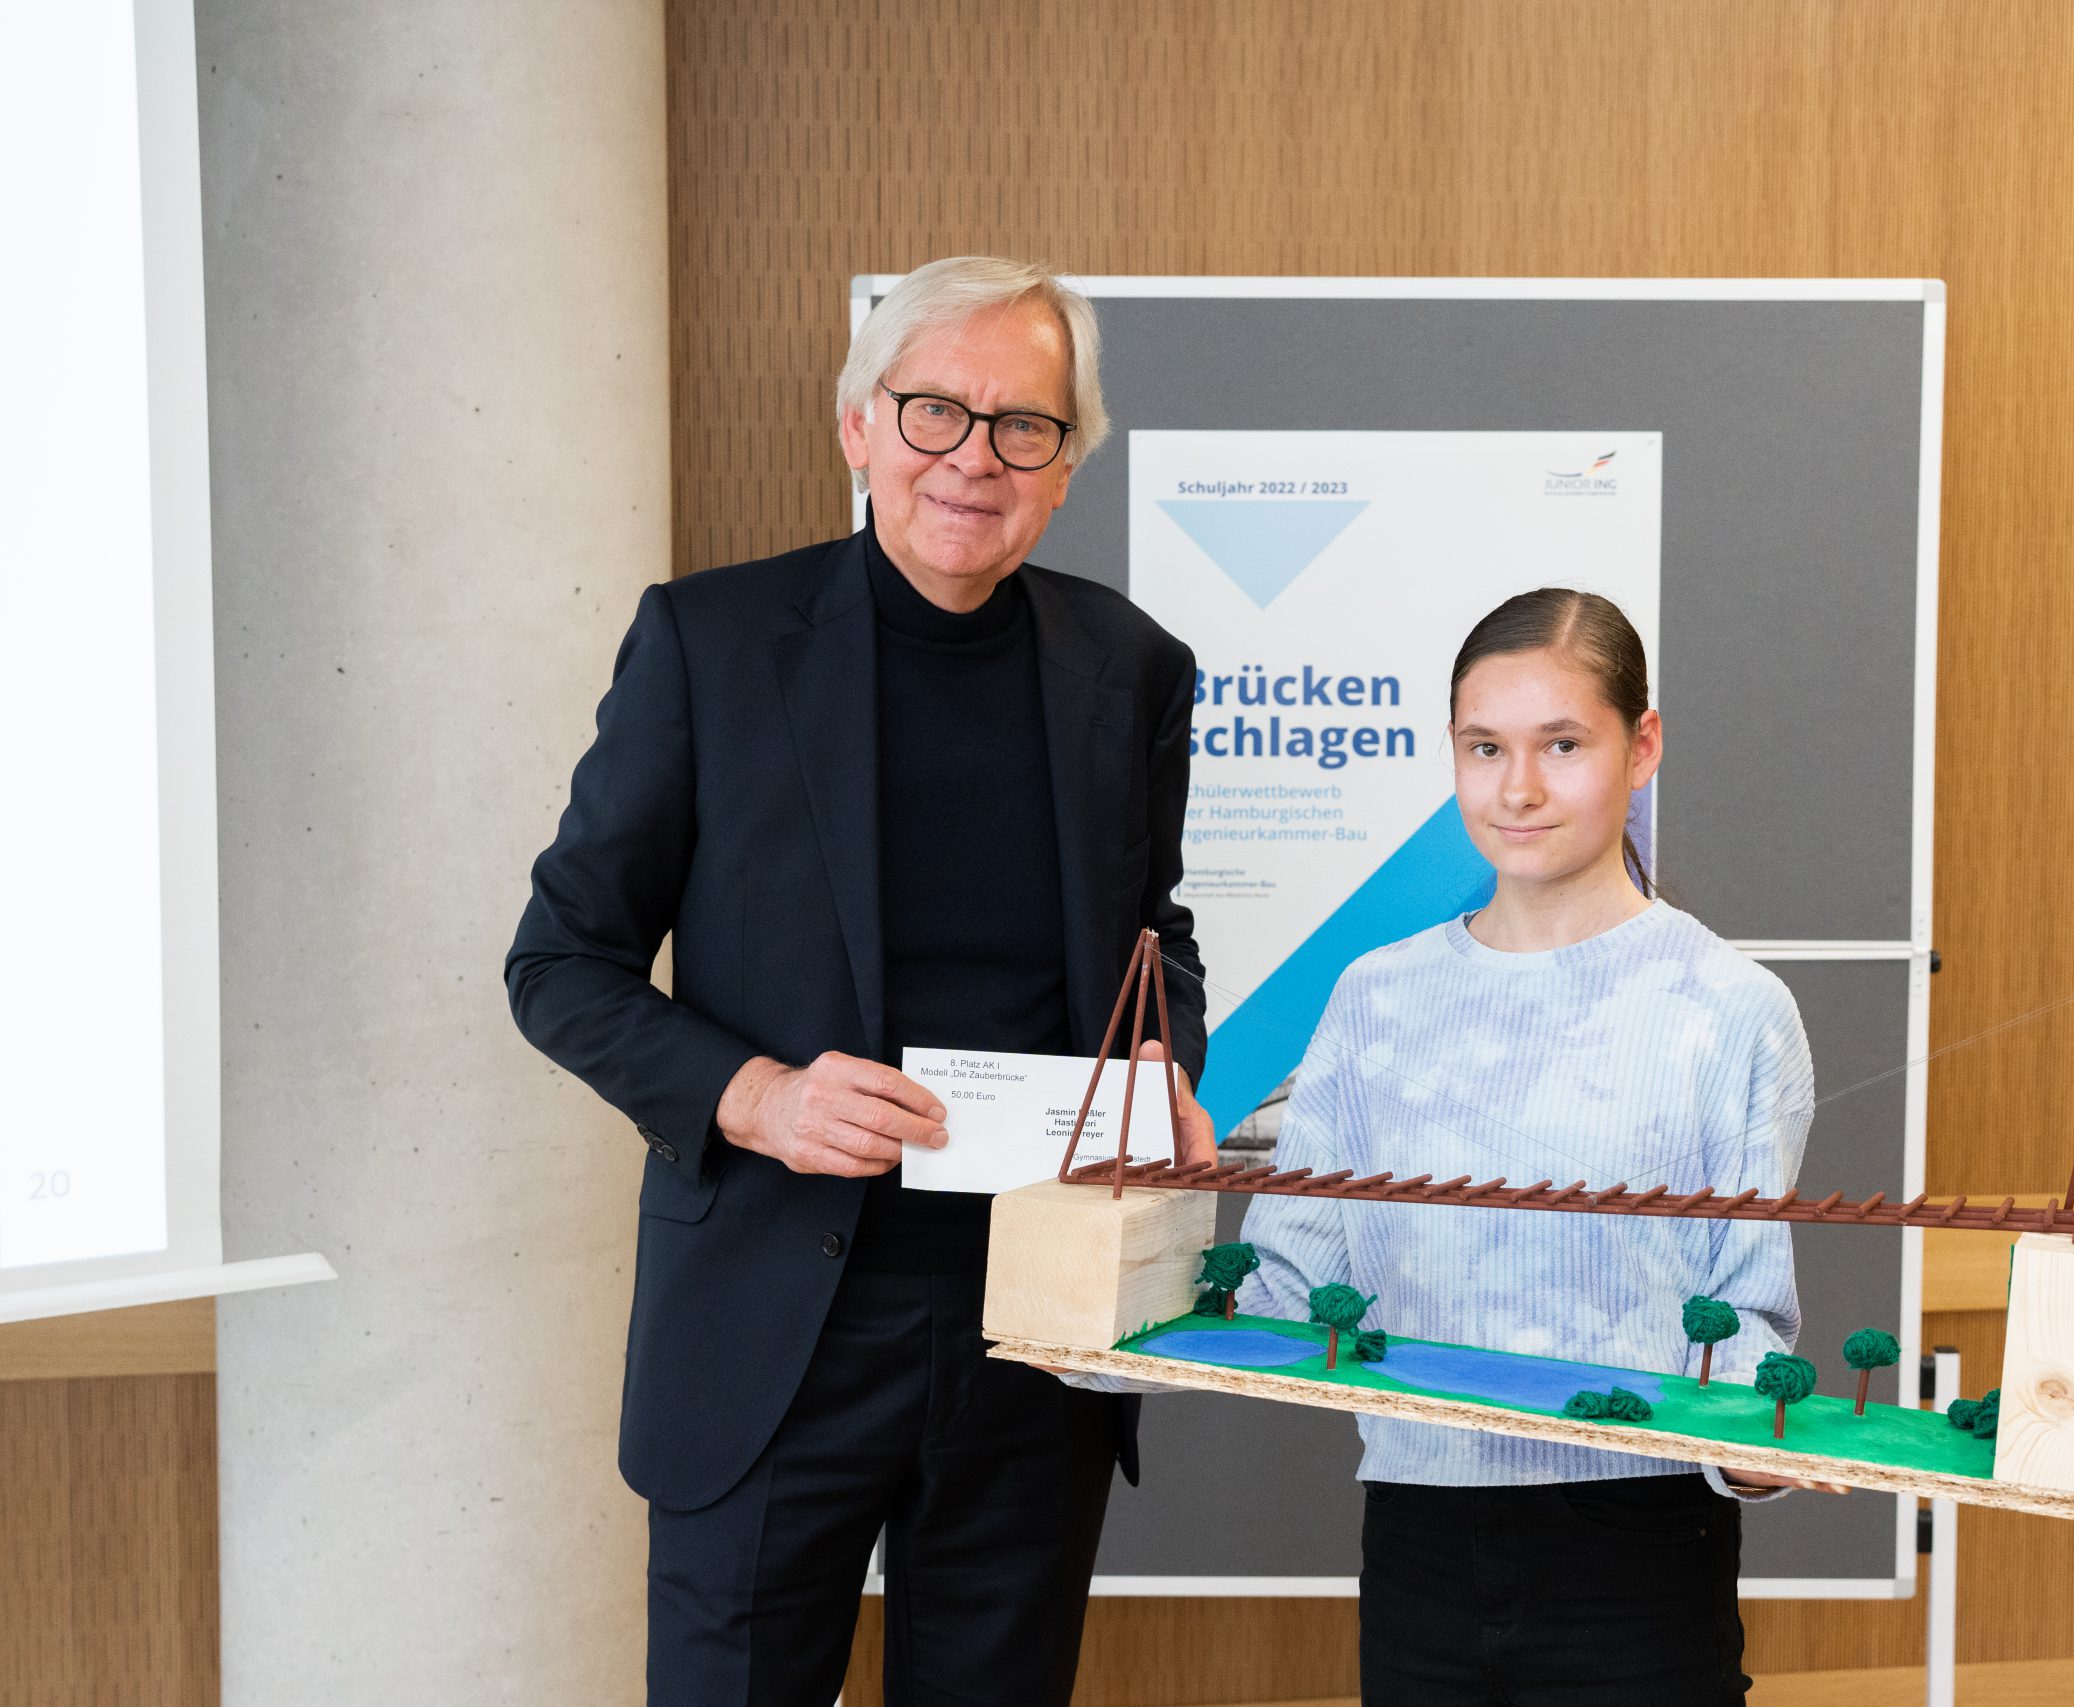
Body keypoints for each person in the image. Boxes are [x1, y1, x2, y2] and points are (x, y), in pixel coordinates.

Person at [504, 256, 1213, 1706]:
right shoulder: (709, 644)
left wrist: (1164, 1061)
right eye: (934, 410)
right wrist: (755, 1095)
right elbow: (559, 962)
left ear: (1067, 465)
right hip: (772, 1327)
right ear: (857, 425)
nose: (974, 457)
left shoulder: (1131, 666)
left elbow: (1157, 934)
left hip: (1034, 1327)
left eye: (1024, 425)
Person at [1232, 588, 1838, 1705]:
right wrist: (1115, 1275)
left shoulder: (1730, 1008)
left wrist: (1755, 1454)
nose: (1517, 788)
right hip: (1416, 1533)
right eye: (1485, 748)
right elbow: (1288, 1282)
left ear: (1641, 747)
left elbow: (1743, 1311)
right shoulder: (1375, 995)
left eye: (1562, 745)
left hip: (1640, 1546)